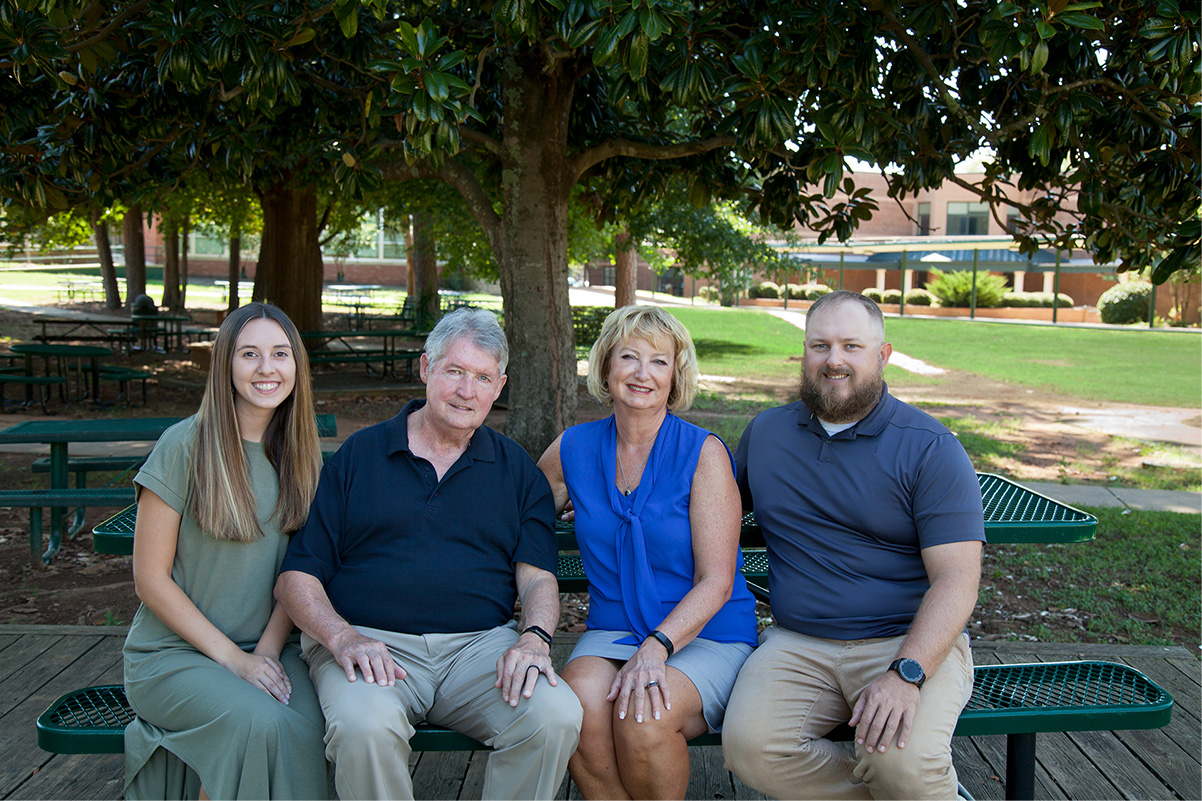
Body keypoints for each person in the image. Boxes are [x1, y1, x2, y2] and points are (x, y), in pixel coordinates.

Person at [275, 307, 583, 801]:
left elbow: (539, 579)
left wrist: (534, 638)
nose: (467, 390)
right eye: (455, 371)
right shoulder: (360, 456)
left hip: (478, 650)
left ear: (499, 386)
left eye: (482, 377)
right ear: (425, 369)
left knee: (555, 715)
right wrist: (342, 638)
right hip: (371, 644)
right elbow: (297, 577)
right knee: (365, 727)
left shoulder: (515, 471)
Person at [722, 290, 984, 800]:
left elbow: (958, 579)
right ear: (804, 353)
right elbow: (709, 508)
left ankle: (917, 789)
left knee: (903, 766)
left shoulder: (930, 447)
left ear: (882, 356)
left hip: (905, 642)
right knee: (751, 748)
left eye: (851, 346)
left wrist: (907, 674)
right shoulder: (768, 433)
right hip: (798, 642)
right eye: (819, 345)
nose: (833, 360)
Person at [537, 305, 758, 799]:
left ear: (675, 376)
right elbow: (523, 518)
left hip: (706, 634)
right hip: (614, 628)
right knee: (572, 705)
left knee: (643, 711)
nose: (642, 373)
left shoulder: (703, 454)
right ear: (606, 366)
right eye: (629, 357)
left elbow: (717, 581)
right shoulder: (573, 449)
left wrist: (657, 648)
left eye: (659, 361)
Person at [122, 302, 329, 800]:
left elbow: (298, 571)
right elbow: (149, 579)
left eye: (280, 354)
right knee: (261, 726)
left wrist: (264, 651)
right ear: (225, 364)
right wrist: (234, 662)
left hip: (269, 649)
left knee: (316, 728)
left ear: (297, 365)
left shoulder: (303, 456)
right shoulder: (183, 446)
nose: (266, 368)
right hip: (174, 654)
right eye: (249, 354)